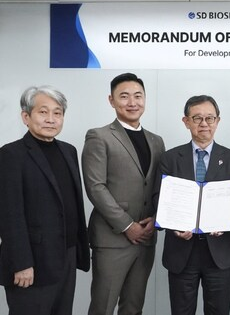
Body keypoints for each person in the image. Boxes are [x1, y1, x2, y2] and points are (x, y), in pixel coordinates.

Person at [0, 86, 90, 315]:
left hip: (66, 254)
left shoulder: (68, 151)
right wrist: (21, 263)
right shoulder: (11, 155)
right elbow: (9, 215)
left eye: (57, 113)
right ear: (26, 116)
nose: (51, 119)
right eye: (43, 112)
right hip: (32, 261)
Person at [82, 73, 165, 315]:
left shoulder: (156, 141)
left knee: (133, 307)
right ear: (111, 100)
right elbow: (95, 187)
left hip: (146, 238)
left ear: (145, 99)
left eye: (138, 96)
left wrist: (156, 218)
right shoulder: (99, 136)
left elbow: (161, 186)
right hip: (112, 239)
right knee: (103, 307)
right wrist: (127, 225)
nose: (132, 102)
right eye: (124, 96)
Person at [153, 95, 230, 315]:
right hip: (181, 251)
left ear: (218, 121)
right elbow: (159, 199)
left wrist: (224, 220)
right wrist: (173, 226)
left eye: (210, 118)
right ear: (186, 121)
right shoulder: (170, 158)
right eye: (197, 118)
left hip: (220, 251)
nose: (204, 124)